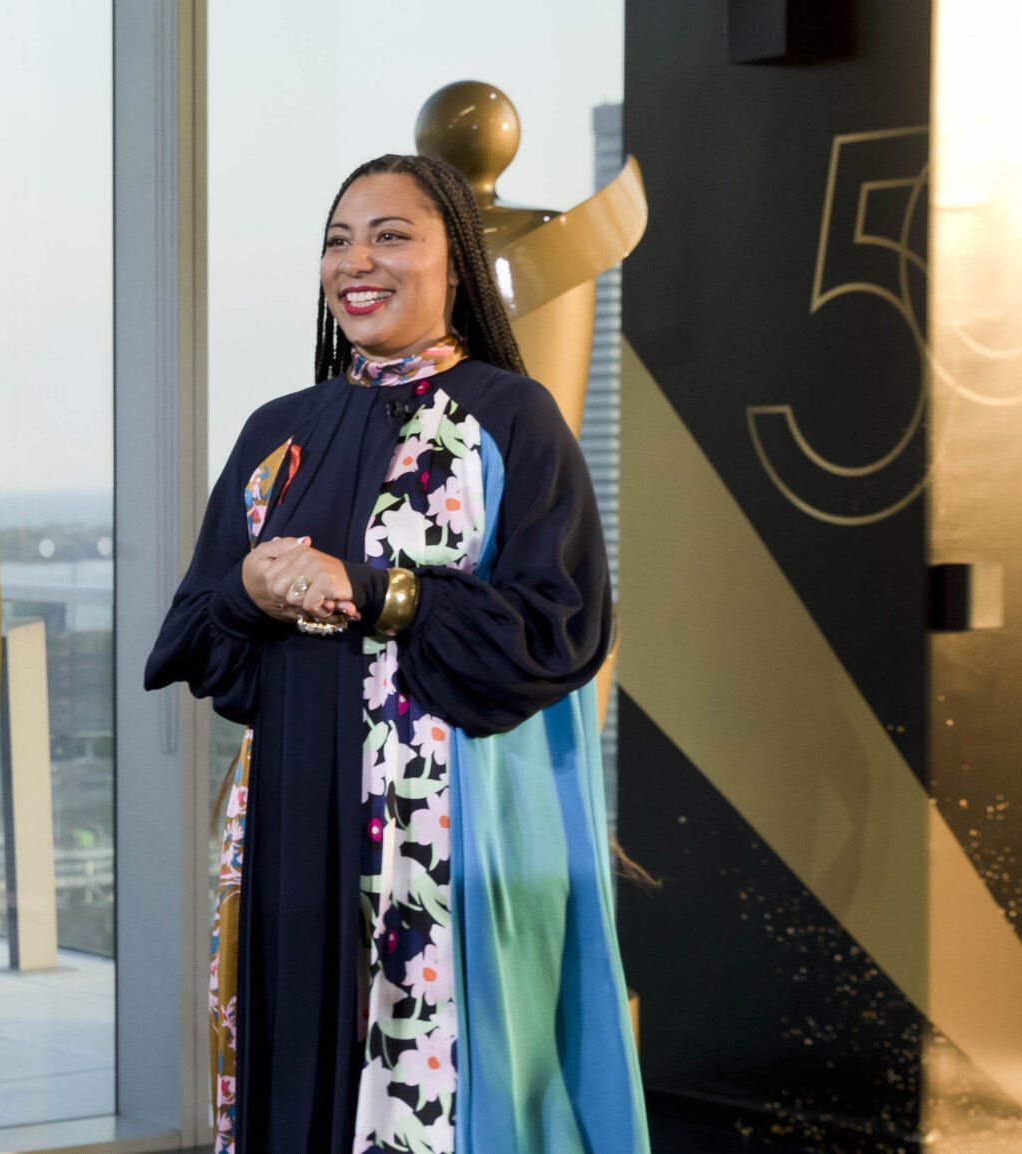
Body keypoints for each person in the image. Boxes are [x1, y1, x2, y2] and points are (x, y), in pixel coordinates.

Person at [145, 155, 646, 1154]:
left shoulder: (511, 418)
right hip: (290, 817)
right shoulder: (278, 433)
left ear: (455, 263)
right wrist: (251, 591)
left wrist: (379, 592)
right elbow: (194, 636)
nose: (356, 261)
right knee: (297, 1070)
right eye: (338, 240)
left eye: (390, 236)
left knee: (434, 1087)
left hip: (439, 831)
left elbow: (560, 627)